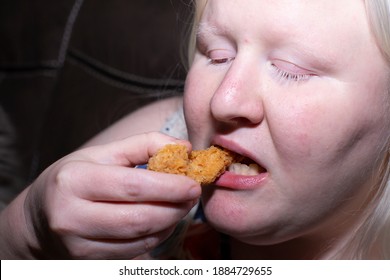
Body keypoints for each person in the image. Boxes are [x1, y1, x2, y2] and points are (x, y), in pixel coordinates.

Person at [1, 0, 390, 259]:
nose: (224, 101)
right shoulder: (161, 136)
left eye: (292, 69)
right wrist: (29, 232)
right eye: (217, 54)